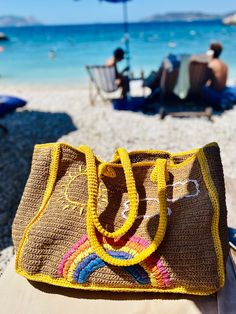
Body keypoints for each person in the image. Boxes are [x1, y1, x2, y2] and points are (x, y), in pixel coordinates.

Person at [203, 42, 236, 110]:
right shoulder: (224, 64)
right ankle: (226, 100)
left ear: (210, 51)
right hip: (223, 92)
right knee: (232, 88)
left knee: (202, 88)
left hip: (214, 94)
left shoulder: (210, 64)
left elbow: (205, 81)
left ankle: (220, 101)